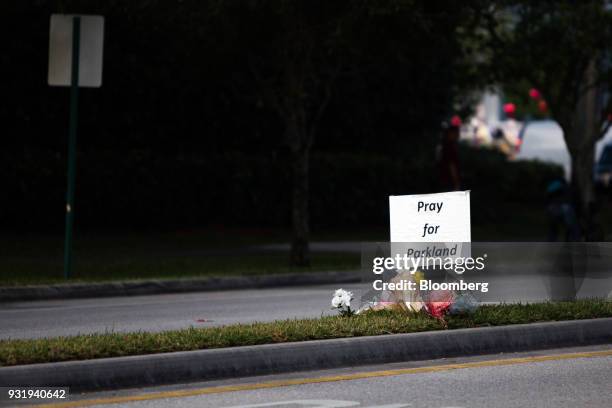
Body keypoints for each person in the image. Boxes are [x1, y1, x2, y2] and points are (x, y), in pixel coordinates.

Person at [436, 117, 461, 191]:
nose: (457, 135)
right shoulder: (449, 147)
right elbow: (452, 165)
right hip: (449, 182)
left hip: (442, 180)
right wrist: (456, 183)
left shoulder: (442, 145)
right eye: (456, 133)